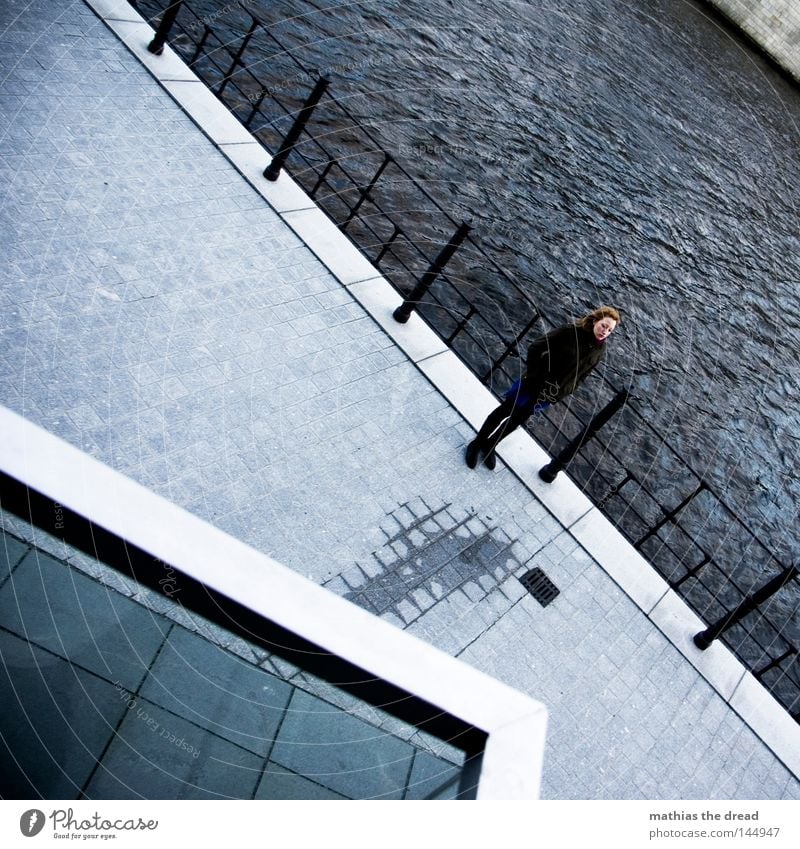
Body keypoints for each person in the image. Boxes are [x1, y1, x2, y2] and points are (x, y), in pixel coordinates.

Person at [465, 306, 621, 469]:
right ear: (595, 320)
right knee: (505, 411)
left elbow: (582, 376)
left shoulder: (600, 350)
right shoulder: (570, 331)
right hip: (533, 383)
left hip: (549, 394)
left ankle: (490, 446)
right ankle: (476, 444)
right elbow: (536, 347)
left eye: (610, 330)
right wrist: (534, 375)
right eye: (604, 325)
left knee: (517, 420)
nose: (605, 331)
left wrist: (564, 392)